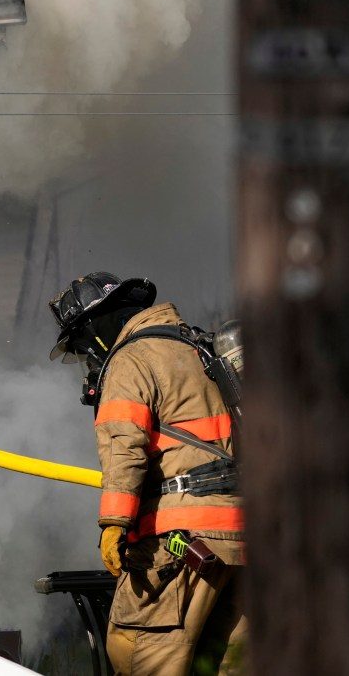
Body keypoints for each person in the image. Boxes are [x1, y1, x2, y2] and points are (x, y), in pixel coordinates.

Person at [47, 272, 246, 675]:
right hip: (240, 540)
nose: (88, 358)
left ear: (99, 327)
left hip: (181, 543)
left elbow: (124, 449)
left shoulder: (131, 359)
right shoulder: (199, 347)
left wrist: (114, 524)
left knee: (141, 654)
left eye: (84, 345)